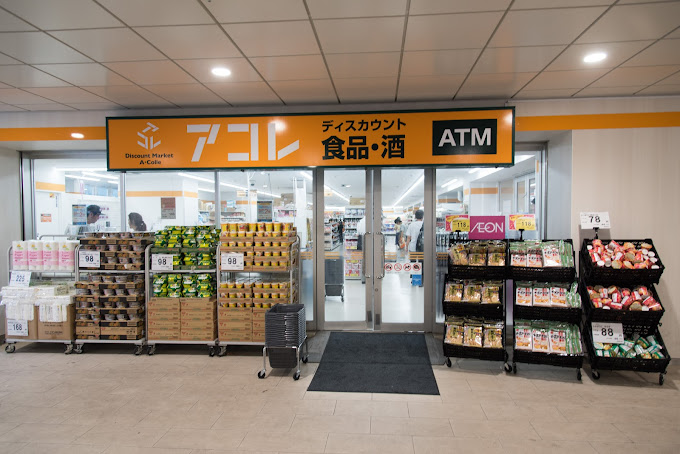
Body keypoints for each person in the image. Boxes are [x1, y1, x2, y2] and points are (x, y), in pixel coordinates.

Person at [405, 210, 425, 287]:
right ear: (422, 216)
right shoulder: (424, 224)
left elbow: (408, 238)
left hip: (412, 247)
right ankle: (421, 281)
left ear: (415, 216)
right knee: (422, 263)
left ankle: (414, 280)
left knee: (413, 263)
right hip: (422, 248)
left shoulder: (411, 225)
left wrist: (406, 247)